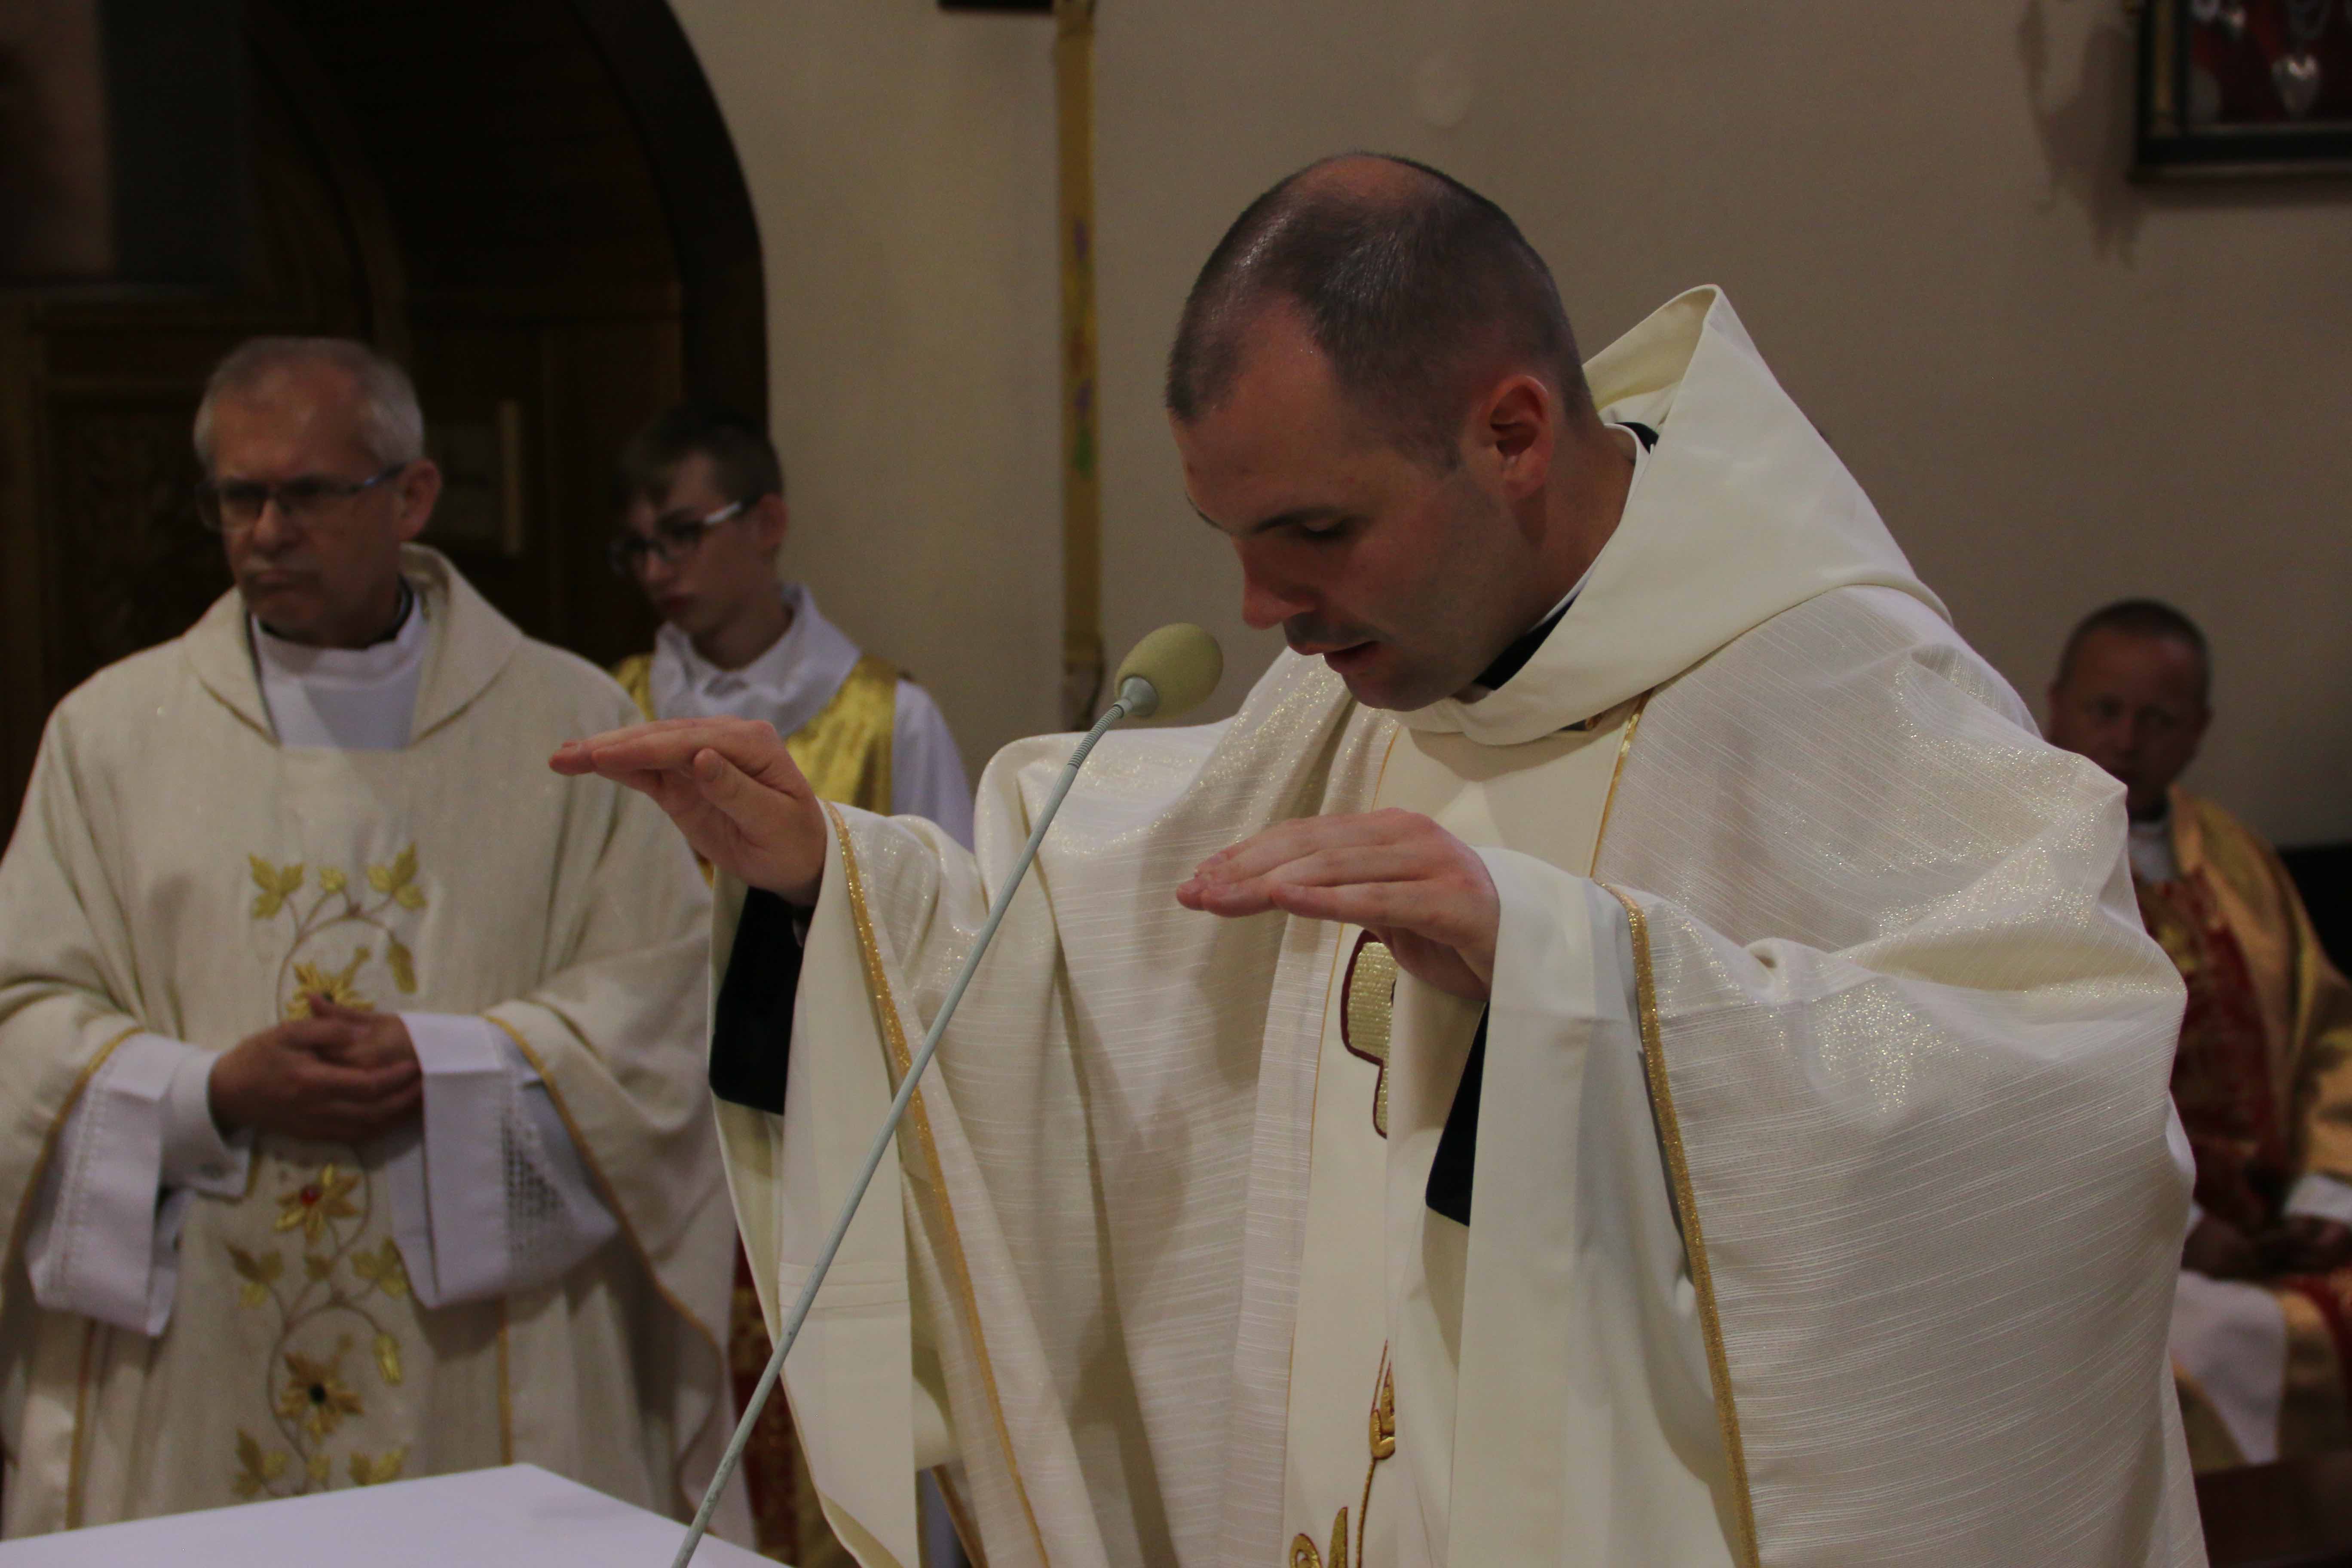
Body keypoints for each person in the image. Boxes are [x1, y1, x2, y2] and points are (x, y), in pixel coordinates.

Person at [557, 156, 2202, 1566]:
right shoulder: (1361, 684)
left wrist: (1588, 984)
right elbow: (1097, 948)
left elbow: (2064, 1097)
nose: (1263, 608)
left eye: (1316, 533)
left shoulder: (1837, 686)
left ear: (1512, 432)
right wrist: (831, 886)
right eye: (1235, 542)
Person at [0, 338, 745, 1537]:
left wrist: (450, 1065)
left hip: (486, 1352)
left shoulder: (569, 724)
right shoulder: (112, 734)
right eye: (238, 497)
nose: (266, 532)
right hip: (198, 1341)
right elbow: (21, 1015)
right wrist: (207, 1089)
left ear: (412, 495)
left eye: (307, 493)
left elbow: (661, 1013)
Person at [2046, 598, 2352, 1470]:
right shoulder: (2019, 867)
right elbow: (2045, 1078)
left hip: (2271, 1234)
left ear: (2198, 731)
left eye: (2158, 719)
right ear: (2055, 704)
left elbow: (2328, 1033)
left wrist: (2325, 1198)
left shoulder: (2237, 859)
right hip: (2116, 1254)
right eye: (2105, 709)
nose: (2126, 738)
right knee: (2189, 1362)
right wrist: (2180, 1222)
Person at [609, 405, 973, 848]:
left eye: (683, 533)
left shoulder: (894, 719)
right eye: (638, 546)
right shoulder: (616, 706)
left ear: (768, 524)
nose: (654, 572)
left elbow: (950, 883)